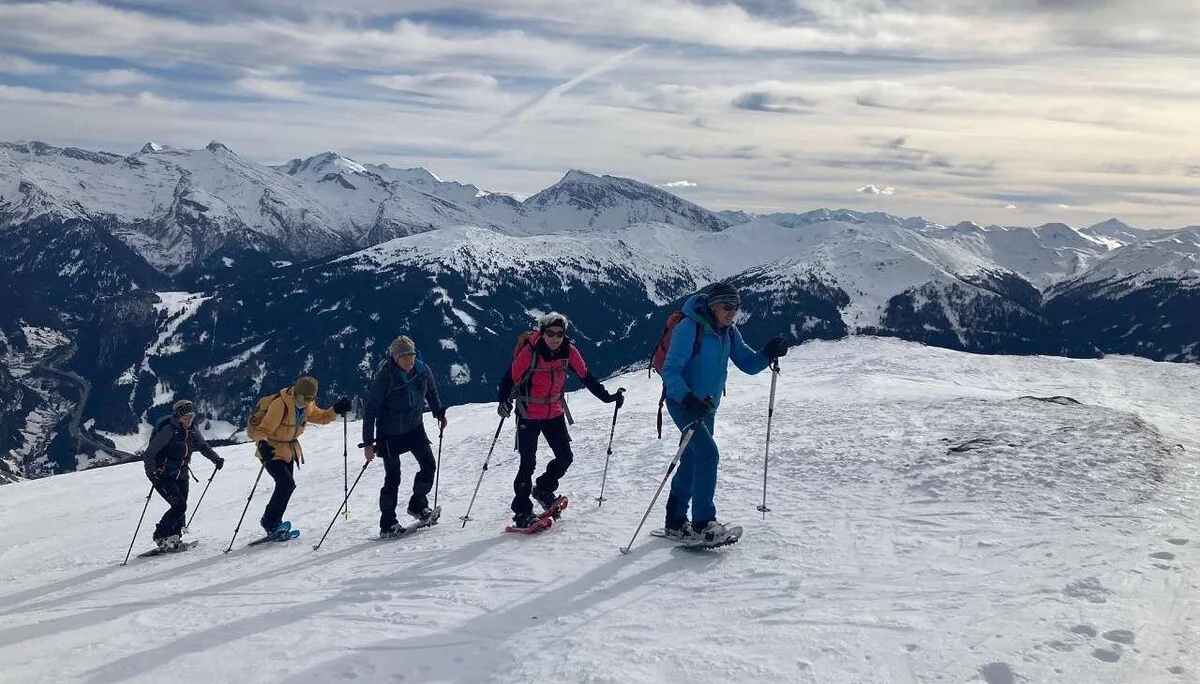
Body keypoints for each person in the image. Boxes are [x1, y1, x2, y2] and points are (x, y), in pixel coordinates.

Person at [659, 282, 789, 543]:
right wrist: (687, 397)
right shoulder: (689, 328)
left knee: (693, 460)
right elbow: (670, 370)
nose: (733, 312)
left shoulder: (728, 332)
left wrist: (767, 352)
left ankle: (674, 520)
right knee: (708, 454)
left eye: (736, 307)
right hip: (683, 404)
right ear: (713, 306)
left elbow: (748, 364)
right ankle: (703, 522)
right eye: (727, 307)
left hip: (706, 407)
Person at [497, 312, 624, 528]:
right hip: (528, 412)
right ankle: (522, 511)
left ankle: (544, 488)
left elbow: (587, 377)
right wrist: (503, 401)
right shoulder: (531, 352)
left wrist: (608, 398)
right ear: (542, 332)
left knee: (565, 457)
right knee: (527, 463)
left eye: (560, 333)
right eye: (550, 333)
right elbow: (508, 378)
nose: (555, 338)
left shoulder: (568, 351)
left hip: (554, 412)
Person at [361, 335, 448, 536]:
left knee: (428, 466)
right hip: (389, 433)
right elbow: (370, 410)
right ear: (394, 358)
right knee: (393, 478)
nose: (408, 360)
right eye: (403, 357)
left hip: (414, 427)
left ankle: (417, 505)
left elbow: (432, 392)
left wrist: (438, 412)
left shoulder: (422, 370)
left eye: (411, 355)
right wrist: (368, 442)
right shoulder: (386, 376)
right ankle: (387, 524)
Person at [248, 375, 350, 538]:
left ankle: (274, 523)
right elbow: (262, 430)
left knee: (287, 486)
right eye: (307, 397)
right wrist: (262, 444)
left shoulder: (307, 406)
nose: (309, 401)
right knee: (286, 483)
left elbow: (322, 417)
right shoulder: (280, 405)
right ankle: (270, 522)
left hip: (289, 451)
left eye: (312, 398)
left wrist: (336, 409)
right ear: (297, 393)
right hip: (271, 450)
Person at [142, 399, 225, 550]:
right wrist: (151, 472)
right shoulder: (168, 430)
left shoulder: (192, 430)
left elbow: (202, 446)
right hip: (163, 475)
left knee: (181, 507)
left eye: (191, 416)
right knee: (179, 506)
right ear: (178, 417)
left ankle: (174, 538)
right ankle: (161, 536)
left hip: (182, 475)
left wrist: (216, 459)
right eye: (186, 417)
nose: (190, 419)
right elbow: (150, 453)